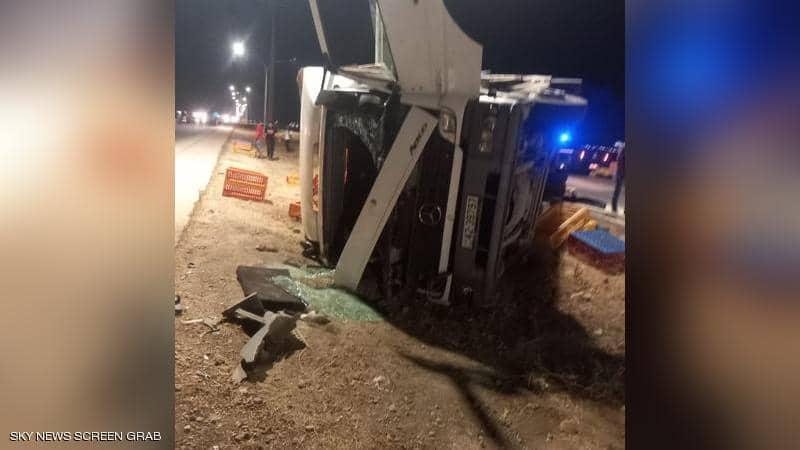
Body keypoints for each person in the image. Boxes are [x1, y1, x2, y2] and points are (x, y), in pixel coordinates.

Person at [611, 145, 625, 213]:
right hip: (622, 175)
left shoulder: (621, 154)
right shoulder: (623, 155)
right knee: (617, 192)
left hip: (620, 174)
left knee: (617, 192)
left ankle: (614, 208)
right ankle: (614, 208)